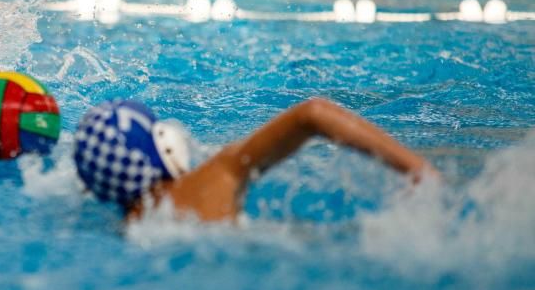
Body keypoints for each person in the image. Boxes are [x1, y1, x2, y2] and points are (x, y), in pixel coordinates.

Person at [74, 98, 436, 222]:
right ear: (163, 146)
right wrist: (419, 170)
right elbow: (312, 113)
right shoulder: (214, 178)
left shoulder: (130, 231)